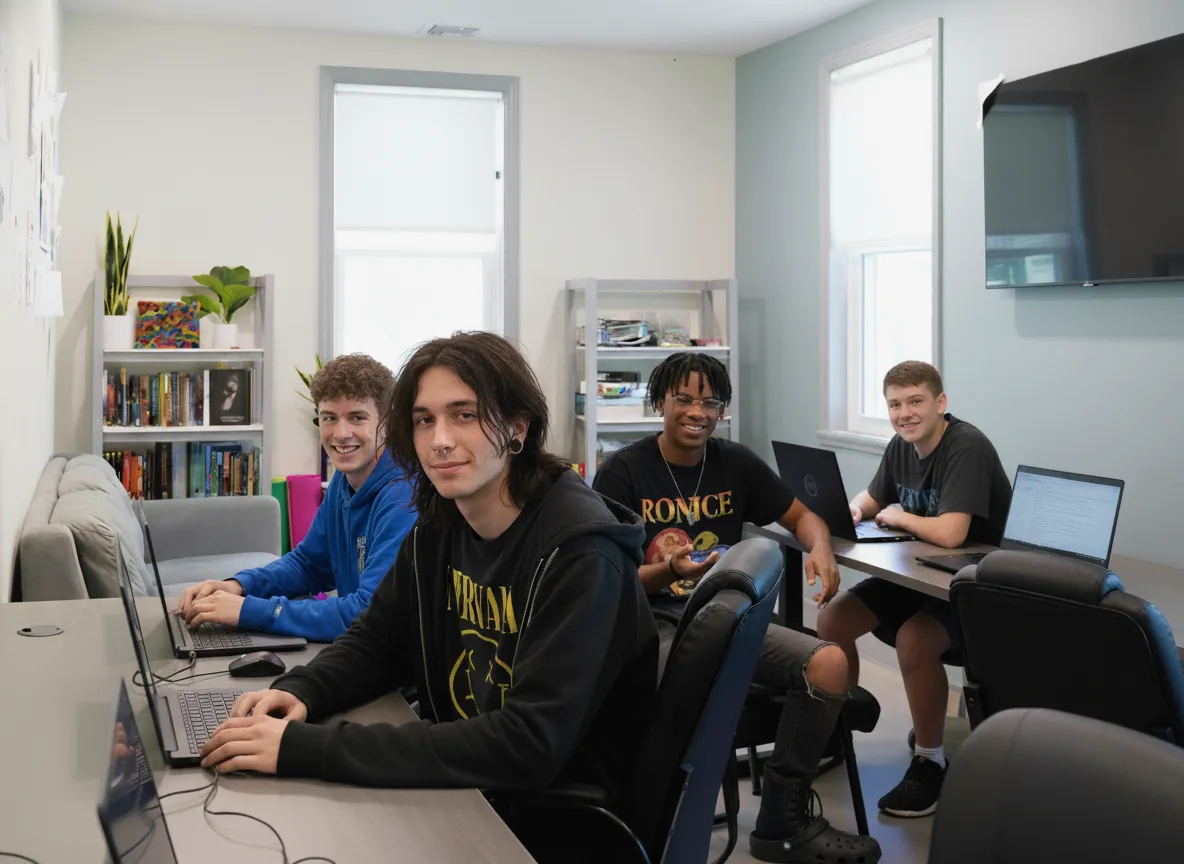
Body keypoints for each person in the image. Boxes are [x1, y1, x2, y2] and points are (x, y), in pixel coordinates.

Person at [197, 332, 658, 860]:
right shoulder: (442, 521)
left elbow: (528, 743)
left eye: (464, 415)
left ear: (517, 427)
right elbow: (378, 638)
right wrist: (304, 689)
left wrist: (307, 748)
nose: (439, 440)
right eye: (424, 420)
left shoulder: (580, 553)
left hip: (545, 823)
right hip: (471, 788)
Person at [593, 353, 881, 864]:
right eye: (683, 399)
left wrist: (817, 546)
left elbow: (803, 517)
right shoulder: (623, 472)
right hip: (655, 623)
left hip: (728, 615)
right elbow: (606, 582)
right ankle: (661, 816)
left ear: (722, 410)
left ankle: (782, 821)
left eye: (710, 401)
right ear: (661, 402)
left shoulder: (735, 463)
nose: (697, 411)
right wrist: (668, 572)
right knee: (693, 683)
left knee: (830, 661)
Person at [817, 360, 1011, 818]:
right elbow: (871, 499)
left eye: (915, 402)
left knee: (914, 639)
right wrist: (848, 513)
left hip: (974, 584)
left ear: (940, 403)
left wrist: (898, 516)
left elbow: (950, 534)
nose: (904, 413)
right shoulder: (901, 445)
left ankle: (929, 762)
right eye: (895, 405)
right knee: (831, 620)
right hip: (923, 574)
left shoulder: (967, 447)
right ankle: (836, 730)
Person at [178, 353, 417, 642]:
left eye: (357, 418)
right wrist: (238, 586)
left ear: (387, 423)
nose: (341, 434)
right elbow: (309, 564)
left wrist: (252, 611)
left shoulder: (403, 498)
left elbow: (367, 614)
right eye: (329, 418)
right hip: (360, 652)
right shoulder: (345, 479)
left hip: (399, 676)